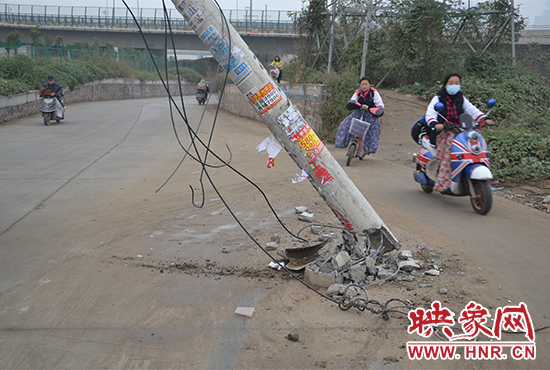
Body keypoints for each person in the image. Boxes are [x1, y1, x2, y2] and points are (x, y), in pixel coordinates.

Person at [425, 72, 493, 193]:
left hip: (462, 130)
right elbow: (430, 113)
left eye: (457, 83)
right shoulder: (438, 98)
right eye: (451, 83)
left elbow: (472, 110)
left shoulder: (461, 98)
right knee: (449, 152)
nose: (454, 85)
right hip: (445, 131)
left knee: (476, 144)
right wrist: (435, 124)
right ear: (445, 85)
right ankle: (443, 181)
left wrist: (484, 118)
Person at [335, 76, 385, 158]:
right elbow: (353, 100)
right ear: (360, 85)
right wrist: (352, 104)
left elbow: (379, 103)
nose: (364, 86)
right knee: (345, 125)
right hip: (358, 113)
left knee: (374, 130)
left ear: (369, 85)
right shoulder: (357, 92)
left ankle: (368, 148)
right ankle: (343, 143)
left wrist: (378, 109)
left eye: (366, 84)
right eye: (362, 84)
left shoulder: (374, 93)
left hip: (370, 115)